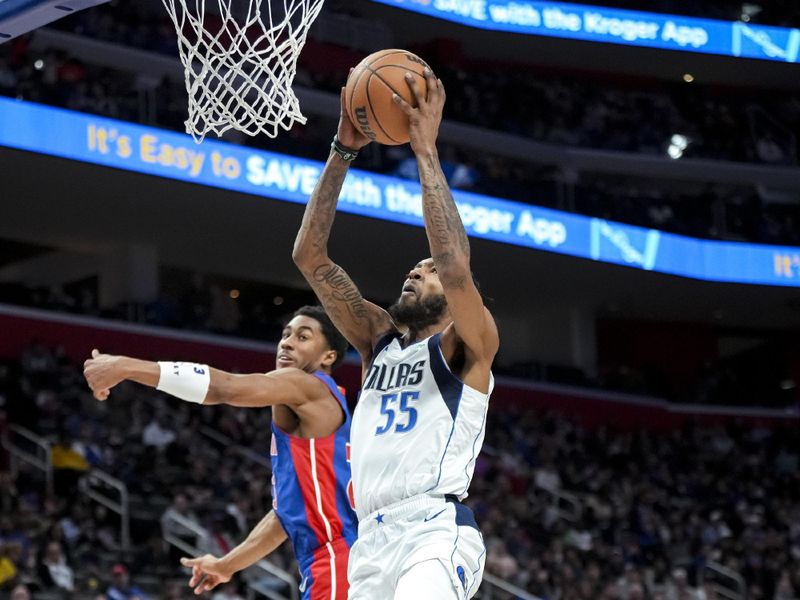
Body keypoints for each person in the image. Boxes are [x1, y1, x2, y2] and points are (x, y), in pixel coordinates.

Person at [293, 69, 499, 598]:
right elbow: (309, 257)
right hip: (371, 542)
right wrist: (342, 149)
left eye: (425, 268)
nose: (415, 271)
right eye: (414, 266)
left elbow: (456, 268)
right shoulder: (378, 341)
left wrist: (425, 152)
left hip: (433, 529)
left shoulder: (467, 348)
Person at [83, 306, 356, 599]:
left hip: (336, 562)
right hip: (343, 558)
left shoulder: (307, 385)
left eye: (303, 337)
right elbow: (285, 516)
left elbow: (226, 388)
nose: (287, 342)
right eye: (285, 334)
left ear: (328, 356)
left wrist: (127, 367)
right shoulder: (309, 407)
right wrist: (227, 565)